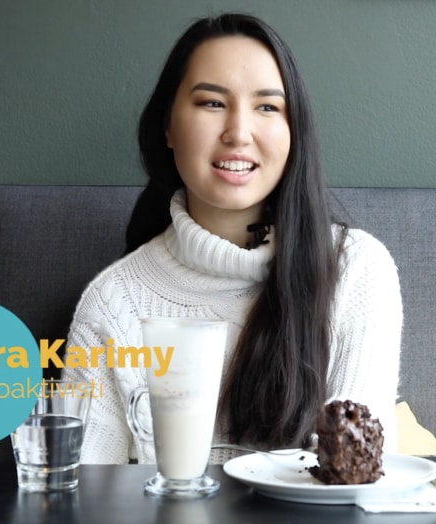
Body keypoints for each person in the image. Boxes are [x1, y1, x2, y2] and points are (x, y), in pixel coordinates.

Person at [64, 12, 402, 465]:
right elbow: (84, 493)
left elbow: (353, 482)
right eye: (211, 103)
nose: (238, 133)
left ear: (293, 132)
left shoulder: (354, 270)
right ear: (167, 125)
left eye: (267, 107)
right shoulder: (112, 302)